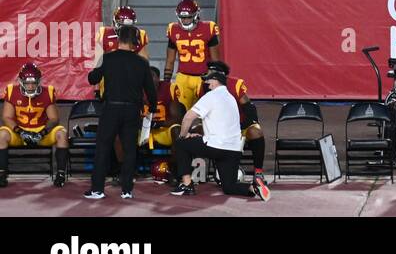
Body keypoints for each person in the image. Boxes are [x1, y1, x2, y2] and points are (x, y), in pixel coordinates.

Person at [170, 61, 269, 200]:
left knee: (181, 144)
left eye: (209, 80)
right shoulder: (230, 98)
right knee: (229, 186)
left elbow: (188, 117)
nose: (206, 83)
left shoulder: (211, 95)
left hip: (217, 145)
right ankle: (253, 187)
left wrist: (184, 135)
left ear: (216, 80)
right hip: (233, 149)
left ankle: (186, 185)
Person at [82, 26, 154, 199]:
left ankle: (98, 189)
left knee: (103, 148)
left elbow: (92, 79)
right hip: (132, 110)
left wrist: (99, 65)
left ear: (118, 39)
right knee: (130, 150)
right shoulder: (142, 63)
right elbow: (151, 90)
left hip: (111, 108)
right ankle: (127, 190)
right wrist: (151, 108)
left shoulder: (108, 58)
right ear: (135, 42)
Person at [1, 63, 71, 189]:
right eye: (27, 83)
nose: (31, 86)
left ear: (39, 81)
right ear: (21, 82)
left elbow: (54, 118)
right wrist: (20, 132)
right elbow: (6, 117)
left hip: (41, 131)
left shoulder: (47, 92)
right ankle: (2, 174)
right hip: (19, 132)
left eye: (33, 83)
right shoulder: (12, 91)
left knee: (62, 133)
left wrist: (42, 133)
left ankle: (60, 174)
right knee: (2, 135)